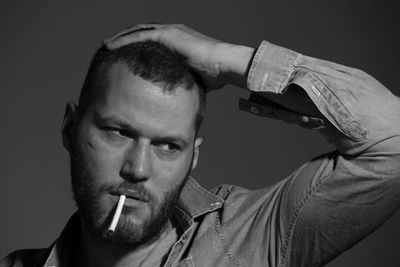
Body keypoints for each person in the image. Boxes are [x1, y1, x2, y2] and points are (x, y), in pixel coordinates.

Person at [1, 23, 399, 267]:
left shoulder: (252, 239)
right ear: (70, 129)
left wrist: (228, 60)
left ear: (194, 156)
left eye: (169, 146)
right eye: (118, 132)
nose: (138, 169)